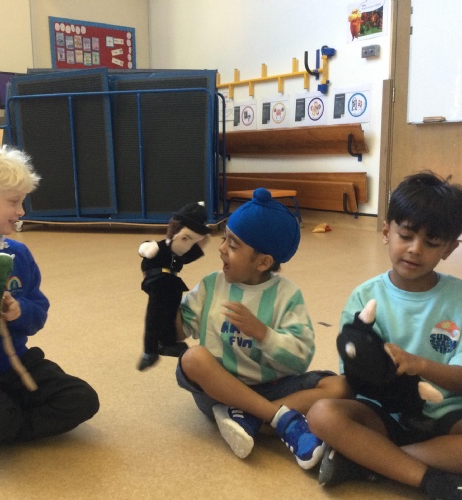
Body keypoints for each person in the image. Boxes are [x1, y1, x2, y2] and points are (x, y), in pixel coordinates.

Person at [307, 171, 462, 499]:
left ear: (449, 248)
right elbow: (353, 377)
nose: (415, 249)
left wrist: (420, 365)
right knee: (322, 413)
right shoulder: (365, 297)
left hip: (446, 415)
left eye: (431, 242)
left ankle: (371, 461)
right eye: (406, 235)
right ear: (386, 232)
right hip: (382, 415)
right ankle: (426, 477)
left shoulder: (458, 298)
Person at [175, 188, 350, 468]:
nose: (221, 248)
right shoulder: (211, 285)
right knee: (192, 358)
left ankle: (250, 419)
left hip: (274, 387)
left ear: (263, 262)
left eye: (233, 245)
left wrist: (263, 334)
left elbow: (300, 357)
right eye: (224, 238)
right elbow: (178, 332)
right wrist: (164, 294)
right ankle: (280, 419)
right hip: (219, 392)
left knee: (342, 386)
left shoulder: (286, 295)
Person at [0, 143, 99, 448]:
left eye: (22, 202)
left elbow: (38, 312)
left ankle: (2, 424)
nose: (21, 211)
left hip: (16, 365)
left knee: (82, 399)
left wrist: (18, 311)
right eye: (14, 202)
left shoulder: (19, 254)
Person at [137, 202, 210, 371]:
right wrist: (146, 248)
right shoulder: (159, 247)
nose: (187, 245)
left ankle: (167, 343)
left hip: (172, 284)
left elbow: (186, 257)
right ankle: (149, 351)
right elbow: (145, 249)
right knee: (154, 316)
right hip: (157, 282)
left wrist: (198, 247)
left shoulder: (179, 254)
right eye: (186, 239)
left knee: (171, 314)